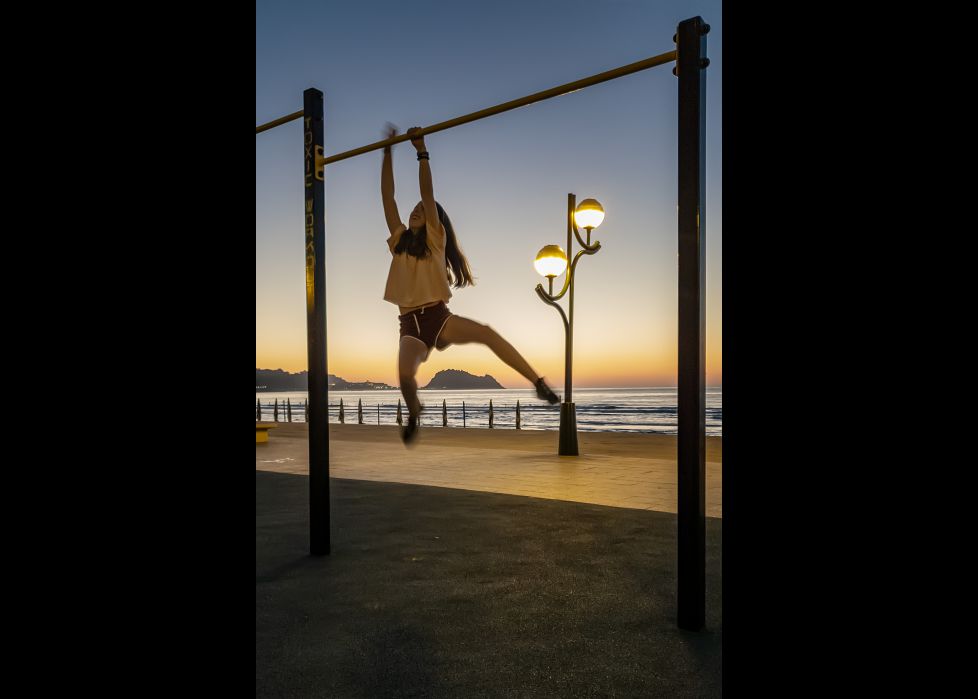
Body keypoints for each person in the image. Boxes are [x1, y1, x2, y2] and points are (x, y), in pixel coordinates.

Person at [381, 124, 559, 444]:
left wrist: (421, 152)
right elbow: (388, 196)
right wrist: (387, 151)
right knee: (405, 376)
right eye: (415, 210)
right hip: (409, 324)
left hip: (437, 317)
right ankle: (414, 411)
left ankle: (538, 382)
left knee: (487, 334)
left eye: (424, 210)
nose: (418, 210)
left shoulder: (435, 239)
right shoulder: (399, 241)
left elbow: (427, 194)